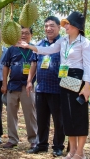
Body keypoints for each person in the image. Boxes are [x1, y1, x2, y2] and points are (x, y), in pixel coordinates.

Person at [18, 12, 90, 159]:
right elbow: (48, 50)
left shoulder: (85, 42)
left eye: (67, 24)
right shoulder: (63, 41)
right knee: (68, 115)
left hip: (78, 78)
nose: (65, 27)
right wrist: (29, 46)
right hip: (64, 79)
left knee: (79, 115)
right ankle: (72, 152)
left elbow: (89, 66)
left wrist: (87, 86)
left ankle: (80, 152)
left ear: (76, 26)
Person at [26, 16, 65, 157]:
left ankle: (58, 146)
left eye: (52, 25)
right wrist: (30, 81)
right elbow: (34, 63)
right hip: (41, 88)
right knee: (42, 120)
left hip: (58, 88)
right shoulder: (39, 44)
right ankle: (41, 144)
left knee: (59, 120)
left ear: (59, 27)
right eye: (46, 25)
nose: (49, 28)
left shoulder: (63, 43)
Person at [1, 26, 38, 150]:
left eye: (26, 33)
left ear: (31, 35)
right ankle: (12, 139)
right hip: (12, 85)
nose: (23, 35)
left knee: (30, 113)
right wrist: (4, 84)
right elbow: (5, 66)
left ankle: (33, 139)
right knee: (11, 113)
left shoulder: (34, 49)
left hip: (27, 87)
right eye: (21, 33)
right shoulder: (11, 49)